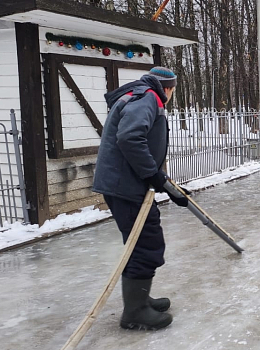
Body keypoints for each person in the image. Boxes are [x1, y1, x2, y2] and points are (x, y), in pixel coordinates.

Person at [92, 66, 191, 331]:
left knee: (140, 243)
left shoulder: (141, 95)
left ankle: (140, 298)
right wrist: (153, 175)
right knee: (146, 243)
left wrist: (163, 183)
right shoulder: (147, 98)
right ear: (168, 88)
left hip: (125, 182)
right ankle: (135, 312)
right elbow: (130, 138)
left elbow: (140, 142)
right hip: (124, 185)